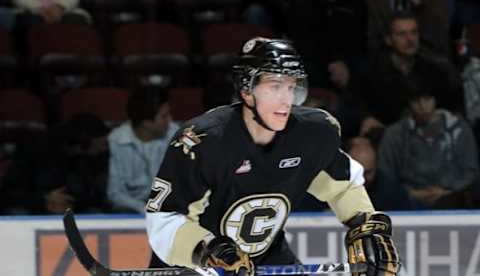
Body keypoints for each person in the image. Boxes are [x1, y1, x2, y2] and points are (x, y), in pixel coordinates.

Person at [145, 37, 400, 276]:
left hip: (266, 259)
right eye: (275, 86)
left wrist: (365, 226)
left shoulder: (312, 134)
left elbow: (343, 186)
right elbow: (165, 219)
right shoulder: (202, 142)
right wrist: (211, 250)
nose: (286, 99)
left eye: (291, 87)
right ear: (247, 91)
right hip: (192, 266)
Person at [377, 80, 479, 209]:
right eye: (416, 101)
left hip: (453, 198)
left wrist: (449, 191)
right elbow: (385, 174)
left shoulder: (459, 129)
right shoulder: (395, 134)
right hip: (406, 201)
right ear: (409, 104)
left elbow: (471, 171)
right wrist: (411, 193)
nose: (422, 106)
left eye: (427, 99)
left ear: (435, 100)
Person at [107, 85, 179, 213]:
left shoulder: (176, 135)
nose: (170, 120)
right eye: (164, 116)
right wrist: (144, 209)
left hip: (171, 208)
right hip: (132, 211)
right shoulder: (116, 141)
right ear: (146, 122)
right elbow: (115, 193)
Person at [366, 0, 451, 60]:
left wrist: (416, 2)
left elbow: (438, 37)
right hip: (389, 61)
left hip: (429, 58)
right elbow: (374, 38)